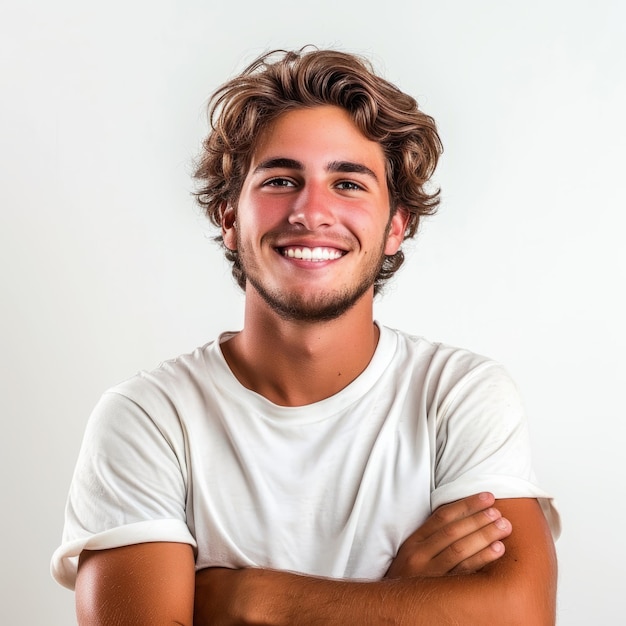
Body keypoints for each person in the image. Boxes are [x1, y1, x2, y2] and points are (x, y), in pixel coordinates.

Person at [51, 47, 560, 625]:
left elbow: (520, 614)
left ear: (396, 225)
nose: (311, 211)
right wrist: (398, 595)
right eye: (281, 179)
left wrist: (251, 600)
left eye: (348, 183)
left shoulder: (458, 395)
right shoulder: (150, 417)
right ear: (228, 219)